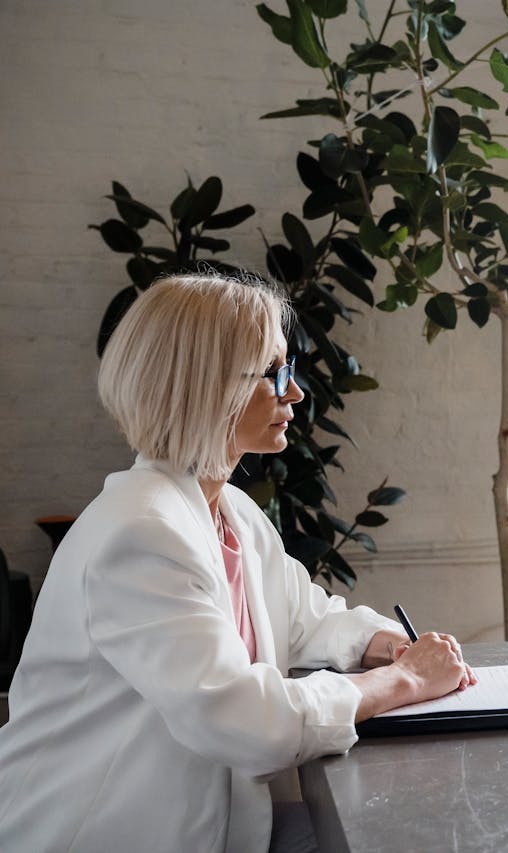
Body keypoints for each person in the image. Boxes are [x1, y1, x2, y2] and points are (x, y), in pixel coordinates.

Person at [0, 273, 478, 851]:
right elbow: (245, 720)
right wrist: (403, 680)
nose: (296, 392)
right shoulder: (142, 531)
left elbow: (306, 617)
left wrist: (388, 643)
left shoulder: (230, 510)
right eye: (274, 373)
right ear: (204, 386)